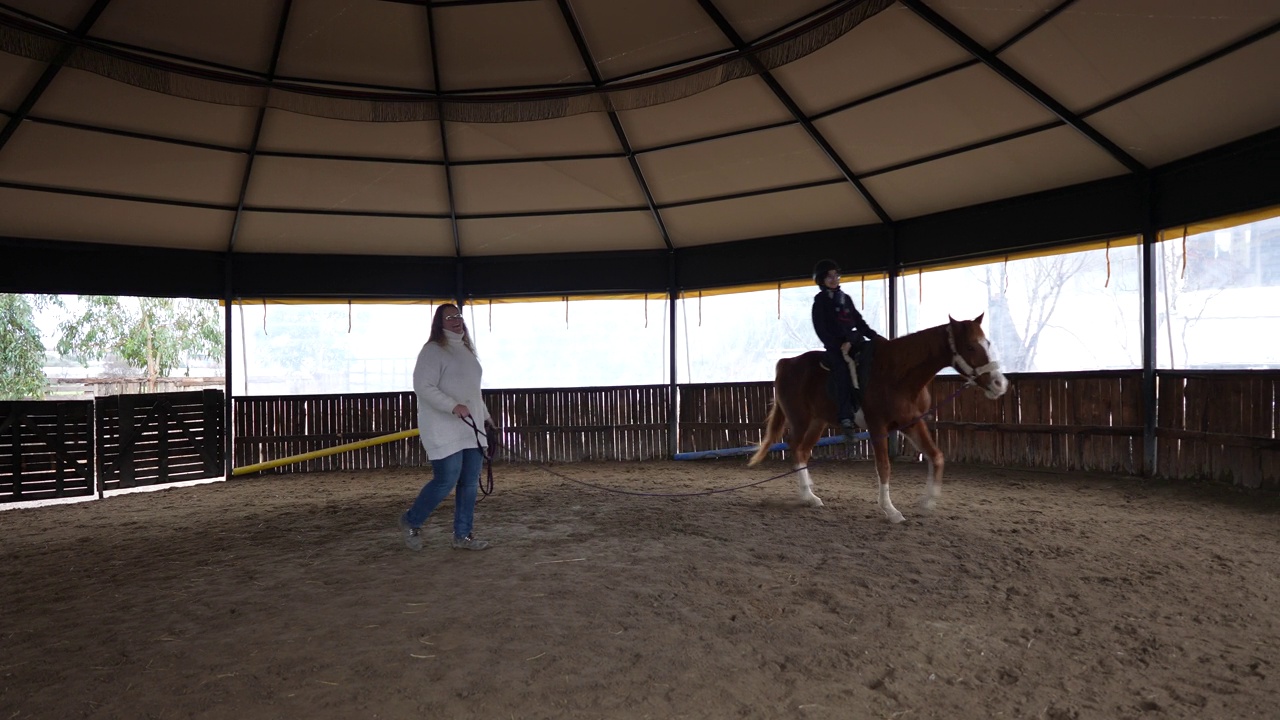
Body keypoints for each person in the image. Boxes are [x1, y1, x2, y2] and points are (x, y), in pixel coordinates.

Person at [398, 303, 492, 551]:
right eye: (449, 316)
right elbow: (423, 387)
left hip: (470, 428)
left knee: (470, 483)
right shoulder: (432, 351)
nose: (455, 320)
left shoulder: (467, 351)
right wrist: (453, 406)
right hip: (443, 426)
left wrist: (486, 416)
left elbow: (472, 391)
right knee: (446, 480)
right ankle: (411, 520)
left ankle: (463, 535)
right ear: (439, 323)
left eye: (458, 315)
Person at [811, 259, 884, 440]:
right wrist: (838, 345)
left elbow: (859, 322)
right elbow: (821, 331)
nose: (834, 279)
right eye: (829, 276)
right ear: (821, 279)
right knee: (842, 373)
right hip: (836, 347)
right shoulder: (819, 303)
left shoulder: (846, 299)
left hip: (854, 340)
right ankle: (845, 416)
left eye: (836, 275)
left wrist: (875, 337)